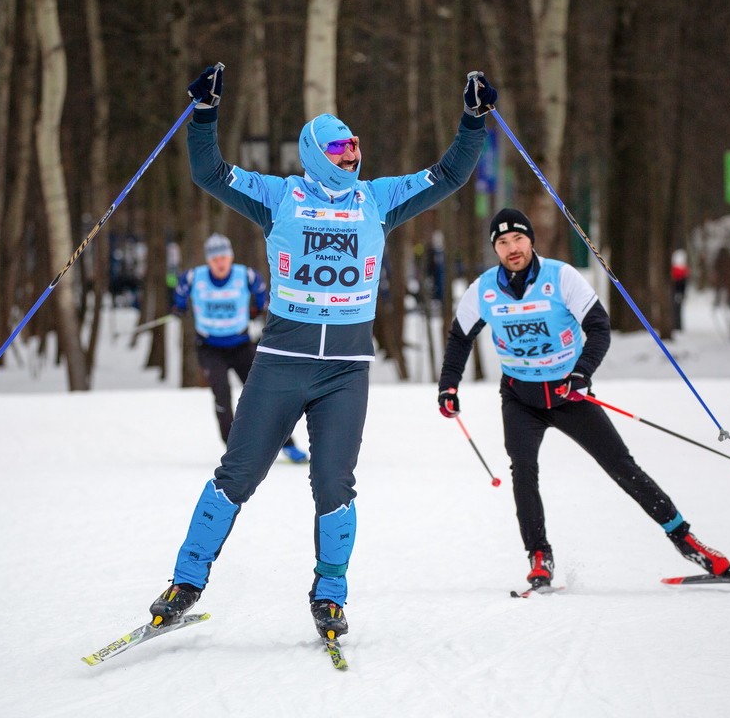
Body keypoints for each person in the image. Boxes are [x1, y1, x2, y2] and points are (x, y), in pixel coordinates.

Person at [149, 63, 497, 639]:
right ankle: (185, 583)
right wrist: (204, 115)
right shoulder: (279, 196)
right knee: (237, 476)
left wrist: (473, 120)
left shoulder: (377, 199)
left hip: (345, 372)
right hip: (282, 364)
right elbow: (208, 172)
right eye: (339, 144)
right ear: (314, 151)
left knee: (335, 483)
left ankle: (330, 594)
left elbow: (449, 175)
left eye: (355, 142)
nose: (351, 151)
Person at [437, 208, 730, 592]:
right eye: (503, 242)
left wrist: (581, 373)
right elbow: (460, 337)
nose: (512, 248)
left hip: (568, 394)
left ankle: (685, 539)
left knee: (621, 466)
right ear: (496, 248)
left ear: (531, 240)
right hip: (520, 398)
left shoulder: (561, 277)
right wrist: (448, 385)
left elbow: (598, 328)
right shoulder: (484, 290)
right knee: (522, 471)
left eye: (518, 239)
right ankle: (539, 556)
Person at [173, 232, 308, 463]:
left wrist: (258, 308)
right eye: (215, 259)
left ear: (230, 257)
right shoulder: (194, 278)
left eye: (224, 257)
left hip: (241, 345)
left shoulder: (245, 276)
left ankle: (287, 445)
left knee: (263, 395)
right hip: (209, 347)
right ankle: (233, 449)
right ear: (208, 260)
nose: (220, 263)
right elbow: (179, 296)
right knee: (222, 395)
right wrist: (179, 307)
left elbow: (262, 296)